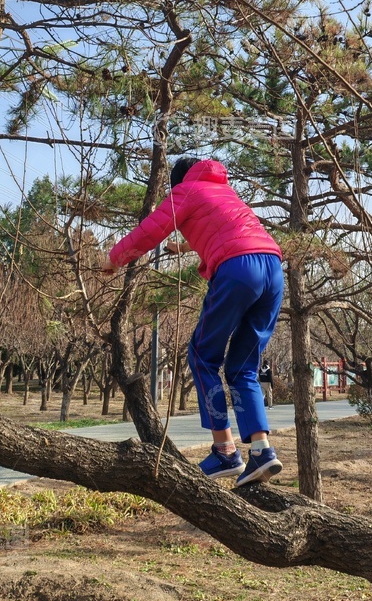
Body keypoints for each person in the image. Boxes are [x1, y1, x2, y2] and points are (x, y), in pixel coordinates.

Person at [101, 156, 284, 485]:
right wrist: (183, 245)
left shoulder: (184, 191)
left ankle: (225, 451)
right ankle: (262, 451)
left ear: (177, 181)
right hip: (272, 268)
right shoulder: (226, 192)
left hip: (238, 268)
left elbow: (148, 232)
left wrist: (115, 259)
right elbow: (225, 227)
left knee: (203, 356)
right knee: (243, 367)